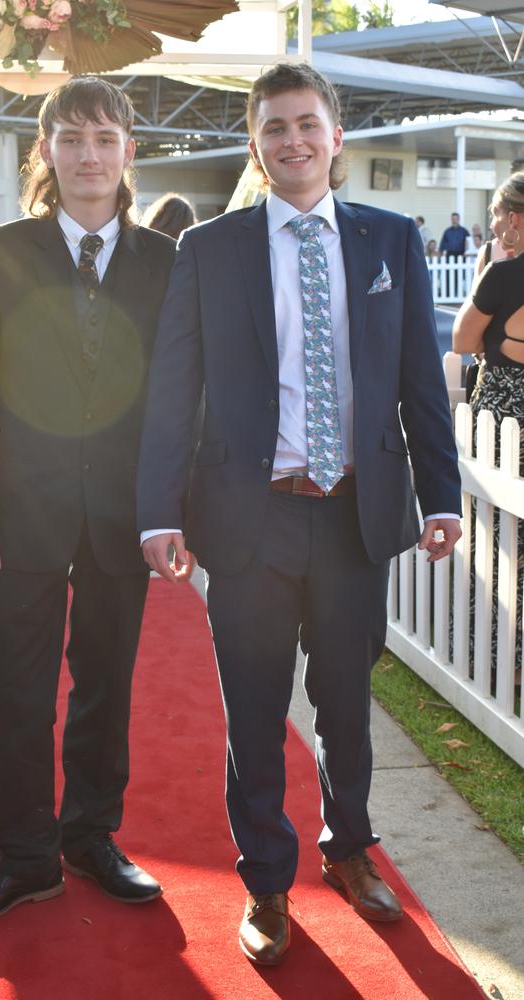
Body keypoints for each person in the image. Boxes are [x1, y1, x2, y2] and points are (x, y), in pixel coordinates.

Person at [137, 62, 462, 966]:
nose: (293, 140)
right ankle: (268, 885)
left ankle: (351, 849)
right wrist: (158, 512)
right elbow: (174, 390)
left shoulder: (392, 241)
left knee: (348, 703)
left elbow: (418, 391)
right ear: (256, 142)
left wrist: (441, 495)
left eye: (307, 123)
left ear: (336, 137)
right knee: (252, 711)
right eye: (274, 127)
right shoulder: (210, 247)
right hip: (248, 518)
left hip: (356, 515)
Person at [0, 77, 176, 924]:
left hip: (122, 519)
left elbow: (178, 398)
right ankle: (26, 857)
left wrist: (167, 511)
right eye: (70, 139)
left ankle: (92, 836)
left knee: (107, 684)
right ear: (45, 151)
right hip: (21, 513)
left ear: (128, 151)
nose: (88, 156)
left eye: (104, 138)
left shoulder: (164, 261)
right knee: (19, 691)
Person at [453, 170, 524, 685]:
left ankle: (495, 657)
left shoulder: (504, 276)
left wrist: (492, 268)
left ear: (513, 218)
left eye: (498, 212)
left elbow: (461, 339)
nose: (494, 222)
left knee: (494, 539)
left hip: (504, 413)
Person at [440, 212, 470, 298]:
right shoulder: (447, 231)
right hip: (450, 255)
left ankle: (456, 294)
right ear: (451, 219)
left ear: (458, 219)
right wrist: (441, 254)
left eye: (456, 218)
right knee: (448, 275)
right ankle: (447, 294)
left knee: (458, 275)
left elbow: (468, 243)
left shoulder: (464, 231)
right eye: (453, 219)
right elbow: (442, 245)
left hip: (460, 255)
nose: (454, 220)